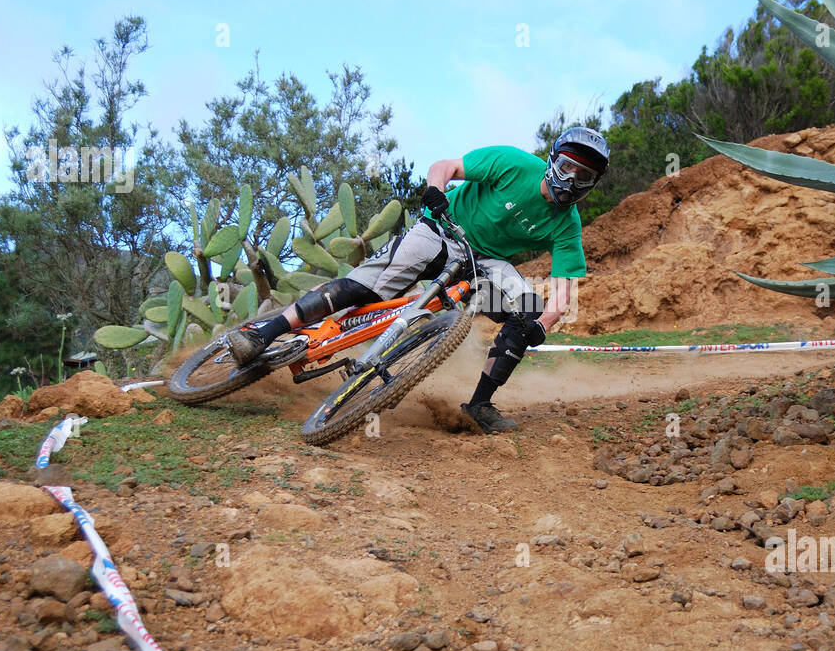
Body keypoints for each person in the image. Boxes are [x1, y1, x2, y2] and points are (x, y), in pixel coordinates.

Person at [228, 127, 609, 434]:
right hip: (444, 229)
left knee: (526, 315)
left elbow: (562, 295)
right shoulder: (512, 163)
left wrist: (540, 326)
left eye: (584, 176)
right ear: (551, 161)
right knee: (365, 288)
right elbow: (445, 167)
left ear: (592, 184)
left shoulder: (567, 225)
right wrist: (435, 192)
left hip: (485, 263)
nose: (572, 180)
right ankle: (263, 334)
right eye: (567, 166)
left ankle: (479, 405)